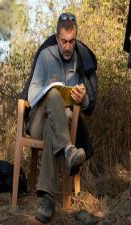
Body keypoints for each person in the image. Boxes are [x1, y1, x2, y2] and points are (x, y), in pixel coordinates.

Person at [24, 12, 98, 223]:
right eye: (64, 41)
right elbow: (31, 94)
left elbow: (86, 105)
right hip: (37, 120)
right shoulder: (45, 56)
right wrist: (49, 92)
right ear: (57, 38)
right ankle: (69, 150)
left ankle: (47, 202)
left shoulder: (79, 61)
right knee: (54, 94)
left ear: (75, 39)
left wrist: (82, 99)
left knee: (52, 127)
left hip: (60, 125)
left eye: (72, 42)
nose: (67, 46)